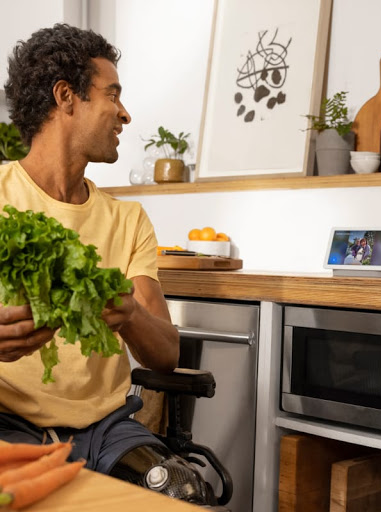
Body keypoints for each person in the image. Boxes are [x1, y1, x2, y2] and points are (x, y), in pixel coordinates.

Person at [0, 24, 212, 505]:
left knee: (183, 490)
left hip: (106, 431)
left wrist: (131, 315)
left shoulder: (128, 219)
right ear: (66, 97)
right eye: (112, 94)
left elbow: (165, 355)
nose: (125, 112)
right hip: (8, 425)